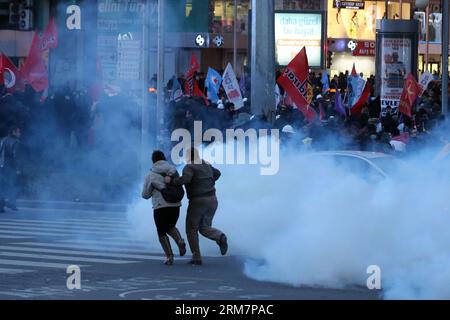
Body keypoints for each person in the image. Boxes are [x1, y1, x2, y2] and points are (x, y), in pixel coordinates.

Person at [167, 148, 228, 265]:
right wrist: (208, 181)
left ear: (189, 156)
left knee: (191, 228)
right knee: (204, 227)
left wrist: (171, 181)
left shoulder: (189, 167)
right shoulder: (205, 164)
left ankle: (196, 257)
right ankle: (220, 236)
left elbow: (186, 179)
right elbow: (218, 173)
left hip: (198, 201)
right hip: (213, 199)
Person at [142, 150, 186, 266]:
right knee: (170, 226)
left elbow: (145, 195)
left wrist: (154, 188)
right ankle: (180, 241)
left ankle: (169, 257)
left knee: (161, 231)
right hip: (176, 205)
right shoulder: (173, 170)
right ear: (164, 158)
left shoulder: (150, 174)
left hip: (160, 206)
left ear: (153, 161)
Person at [0, 126, 22, 212]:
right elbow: (15, 156)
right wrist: (17, 168)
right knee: (16, 185)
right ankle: (11, 203)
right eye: (18, 132)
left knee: (2, 186)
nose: (20, 134)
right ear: (13, 132)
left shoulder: (3, 139)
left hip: (1, 166)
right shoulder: (16, 141)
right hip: (10, 167)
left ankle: (1, 206)